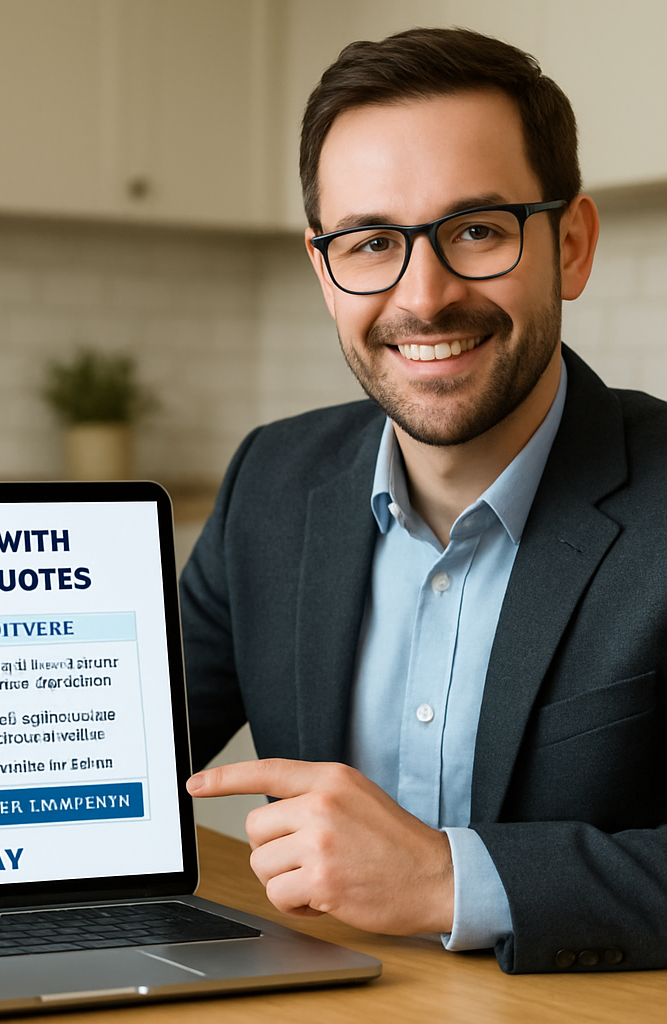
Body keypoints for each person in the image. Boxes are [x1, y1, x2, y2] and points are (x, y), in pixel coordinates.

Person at [180, 26, 667, 975]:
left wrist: (451, 879)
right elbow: (114, 768)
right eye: (371, 243)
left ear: (570, 245)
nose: (425, 295)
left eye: (476, 230)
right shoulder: (270, 483)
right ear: (327, 275)